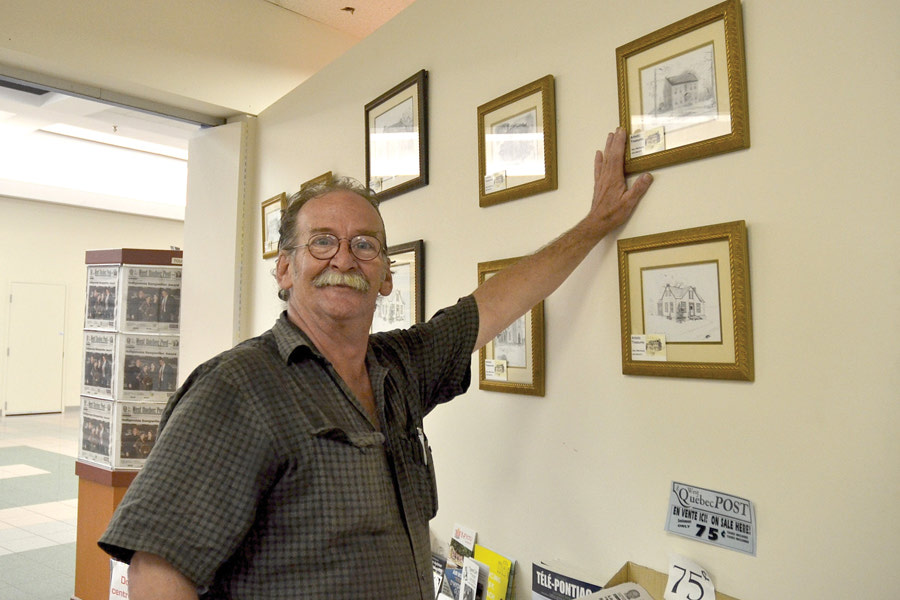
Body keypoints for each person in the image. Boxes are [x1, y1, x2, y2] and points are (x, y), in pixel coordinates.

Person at [98, 128, 652, 599]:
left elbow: (495, 303)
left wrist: (595, 224)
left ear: (386, 275)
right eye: (322, 242)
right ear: (285, 270)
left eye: (364, 245)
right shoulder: (236, 387)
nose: (344, 258)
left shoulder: (400, 368)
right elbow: (157, 570)